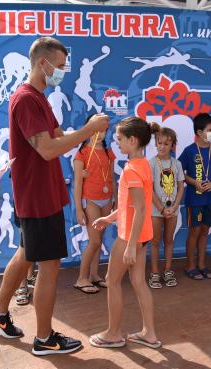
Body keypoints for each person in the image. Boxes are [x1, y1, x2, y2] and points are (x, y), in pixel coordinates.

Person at [0, 37, 110, 356]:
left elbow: (56, 137)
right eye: (61, 66)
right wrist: (89, 131)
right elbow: (49, 148)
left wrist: (83, 131)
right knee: (49, 266)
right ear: (43, 63)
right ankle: (44, 338)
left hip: (43, 194)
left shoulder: (38, 98)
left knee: (26, 252)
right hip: (38, 197)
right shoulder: (26, 99)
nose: (63, 72)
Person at [89, 117, 161, 349]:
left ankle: (113, 333)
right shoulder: (143, 165)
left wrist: (130, 245)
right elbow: (131, 204)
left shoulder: (131, 170)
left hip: (130, 237)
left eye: (119, 139)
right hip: (140, 235)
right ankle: (149, 334)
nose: (116, 142)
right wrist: (110, 218)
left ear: (133, 140)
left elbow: (140, 208)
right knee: (138, 282)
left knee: (112, 281)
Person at [179, 113, 211, 280]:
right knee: (194, 231)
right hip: (195, 199)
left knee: (205, 231)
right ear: (199, 132)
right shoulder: (189, 151)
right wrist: (194, 182)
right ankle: (190, 266)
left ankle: (201, 264)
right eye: (210, 130)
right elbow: (180, 172)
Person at [72, 114, 116, 294]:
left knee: (99, 241)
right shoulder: (81, 154)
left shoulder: (108, 152)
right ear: (88, 129)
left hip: (107, 200)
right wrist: (78, 210)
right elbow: (77, 184)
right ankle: (81, 278)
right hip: (91, 201)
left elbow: (112, 179)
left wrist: (114, 201)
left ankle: (94, 275)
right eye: (96, 129)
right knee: (94, 241)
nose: (100, 133)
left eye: (103, 130)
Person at [148, 127, 184, 288]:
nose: (162, 147)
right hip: (156, 210)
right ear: (155, 144)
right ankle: (155, 273)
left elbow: (181, 187)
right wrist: (162, 209)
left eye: (166, 144)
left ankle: (168, 270)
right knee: (155, 241)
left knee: (169, 240)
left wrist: (174, 206)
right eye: (159, 143)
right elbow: (149, 189)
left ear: (173, 145)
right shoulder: (151, 163)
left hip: (173, 209)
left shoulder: (177, 164)